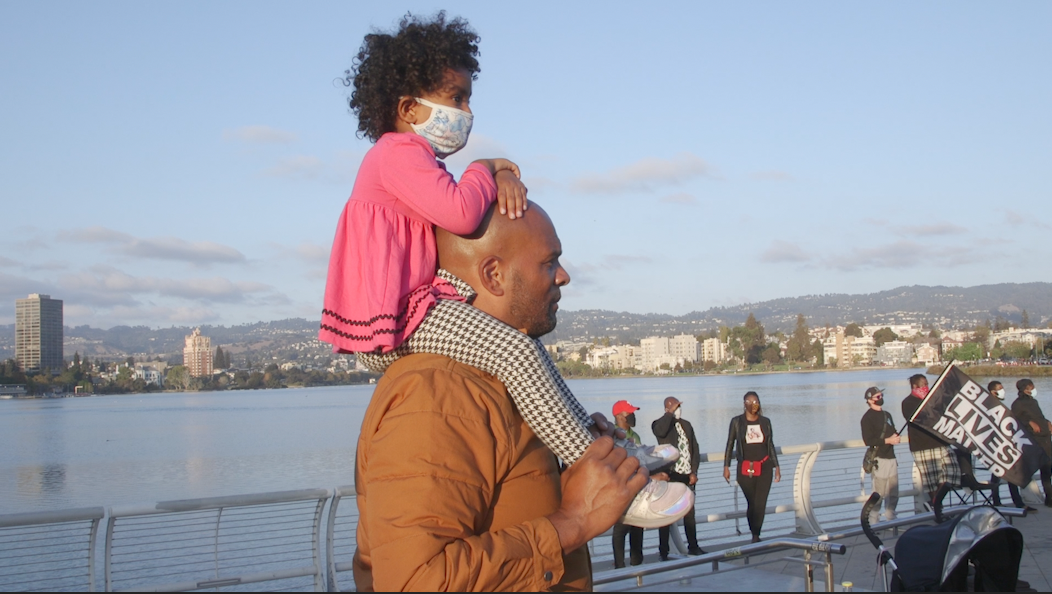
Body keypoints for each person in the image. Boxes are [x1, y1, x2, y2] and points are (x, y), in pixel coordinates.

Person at [320, 12, 685, 529]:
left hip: (415, 304)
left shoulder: (408, 160)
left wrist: (497, 177)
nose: (467, 112)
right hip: (397, 320)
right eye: (457, 98)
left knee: (523, 348)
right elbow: (461, 214)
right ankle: (615, 486)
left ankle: (609, 450)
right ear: (407, 107)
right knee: (514, 350)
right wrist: (486, 167)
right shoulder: (397, 154)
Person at [353, 204, 653, 590]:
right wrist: (573, 522)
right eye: (549, 262)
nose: (563, 276)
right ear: (494, 275)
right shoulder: (438, 396)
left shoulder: (498, 379)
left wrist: (583, 477)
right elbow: (414, 581)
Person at [723, 391, 781, 543]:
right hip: (745, 469)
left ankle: (756, 535)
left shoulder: (765, 422)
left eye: (756, 402)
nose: (755, 405)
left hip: (765, 467)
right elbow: (730, 444)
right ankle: (753, 531)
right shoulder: (737, 422)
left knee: (761, 503)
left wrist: (776, 466)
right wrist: (726, 466)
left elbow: (770, 445)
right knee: (752, 503)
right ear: (745, 404)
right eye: (751, 402)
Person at [653, 397, 705, 559]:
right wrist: (669, 414)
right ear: (667, 408)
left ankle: (693, 546)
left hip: (686, 476)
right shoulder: (660, 424)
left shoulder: (686, 425)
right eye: (675, 407)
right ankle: (664, 551)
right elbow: (660, 431)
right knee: (666, 514)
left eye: (679, 407)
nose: (678, 410)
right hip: (670, 476)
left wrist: (694, 471)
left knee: (689, 513)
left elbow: (694, 448)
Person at [901, 373, 960, 502]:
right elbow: (919, 419)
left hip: (940, 442)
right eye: (923, 384)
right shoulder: (908, 402)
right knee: (931, 481)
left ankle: (937, 500)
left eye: (927, 384)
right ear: (915, 386)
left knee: (952, 472)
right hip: (922, 445)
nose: (926, 387)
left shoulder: (932, 400)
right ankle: (936, 504)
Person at [988, 381, 1036, 511]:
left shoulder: (999, 405)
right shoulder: (989, 406)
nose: (1003, 391)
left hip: (1005, 444)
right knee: (1000, 475)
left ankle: (1012, 502)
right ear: (993, 392)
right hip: (996, 446)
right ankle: (1003, 502)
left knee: (1008, 474)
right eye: (1000, 388)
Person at [610, 400, 645, 568]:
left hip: (637, 487)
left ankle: (637, 564)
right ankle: (619, 565)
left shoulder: (635, 436)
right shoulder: (611, 435)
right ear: (619, 416)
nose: (632, 415)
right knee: (621, 528)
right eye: (629, 413)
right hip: (620, 487)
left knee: (637, 526)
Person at [860, 387, 900, 525]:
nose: (881, 398)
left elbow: (893, 430)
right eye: (877, 397)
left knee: (893, 491)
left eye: (881, 395)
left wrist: (895, 437)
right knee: (879, 491)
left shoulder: (887, 415)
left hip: (891, 457)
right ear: (870, 400)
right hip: (879, 459)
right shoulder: (867, 418)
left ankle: (891, 516)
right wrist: (888, 440)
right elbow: (868, 440)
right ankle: (873, 519)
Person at [1010, 378, 1052, 507]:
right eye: (1031, 387)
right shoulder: (1017, 404)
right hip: (1033, 440)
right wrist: (1029, 422)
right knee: (1027, 469)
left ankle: (1049, 498)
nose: (1033, 389)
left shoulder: (1033, 401)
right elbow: (1015, 421)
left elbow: (1039, 416)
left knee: (1047, 470)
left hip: (1045, 438)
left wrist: (1047, 422)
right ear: (1025, 389)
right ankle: (1019, 500)